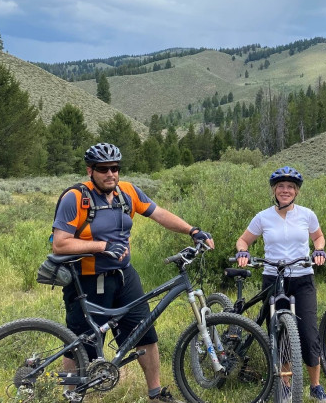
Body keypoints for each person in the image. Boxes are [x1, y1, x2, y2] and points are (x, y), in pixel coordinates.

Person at [52, 142, 214, 403]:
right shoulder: (76, 197)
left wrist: (192, 230)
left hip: (125, 277)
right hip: (88, 280)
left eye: (114, 168)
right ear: (90, 170)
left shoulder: (126, 192)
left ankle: (156, 392)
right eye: (103, 169)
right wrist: (103, 246)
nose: (110, 174)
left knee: (144, 333)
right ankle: (71, 395)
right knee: (83, 343)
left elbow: (159, 213)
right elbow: (60, 243)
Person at [234, 166, 326, 402]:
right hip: (273, 278)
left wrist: (319, 250)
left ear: (296, 191)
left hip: (302, 277)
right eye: (281, 186)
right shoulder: (263, 217)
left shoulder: (307, 214)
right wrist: (242, 253)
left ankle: (315, 386)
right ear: (274, 190)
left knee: (308, 333)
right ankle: (286, 385)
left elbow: (318, 236)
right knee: (279, 333)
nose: (285, 190)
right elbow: (243, 240)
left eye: (290, 187)